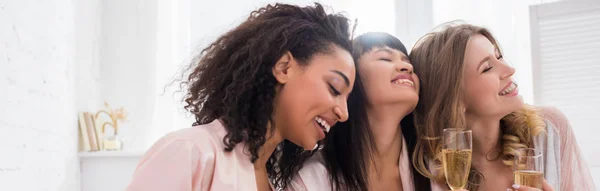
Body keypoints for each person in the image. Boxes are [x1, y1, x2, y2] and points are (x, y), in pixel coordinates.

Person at [125, 3, 356, 191]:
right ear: (284, 67)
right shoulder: (191, 152)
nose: (343, 113)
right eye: (335, 89)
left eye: (347, 99)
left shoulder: (275, 182)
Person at [410, 23, 595, 191]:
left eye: (499, 57)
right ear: (455, 99)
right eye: (488, 68)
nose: (509, 69)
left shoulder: (549, 129)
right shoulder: (430, 170)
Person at [285, 32, 431, 191]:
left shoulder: (437, 169)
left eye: (408, 62)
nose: (407, 67)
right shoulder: (310, 180)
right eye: (385, 58)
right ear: (351, 78)